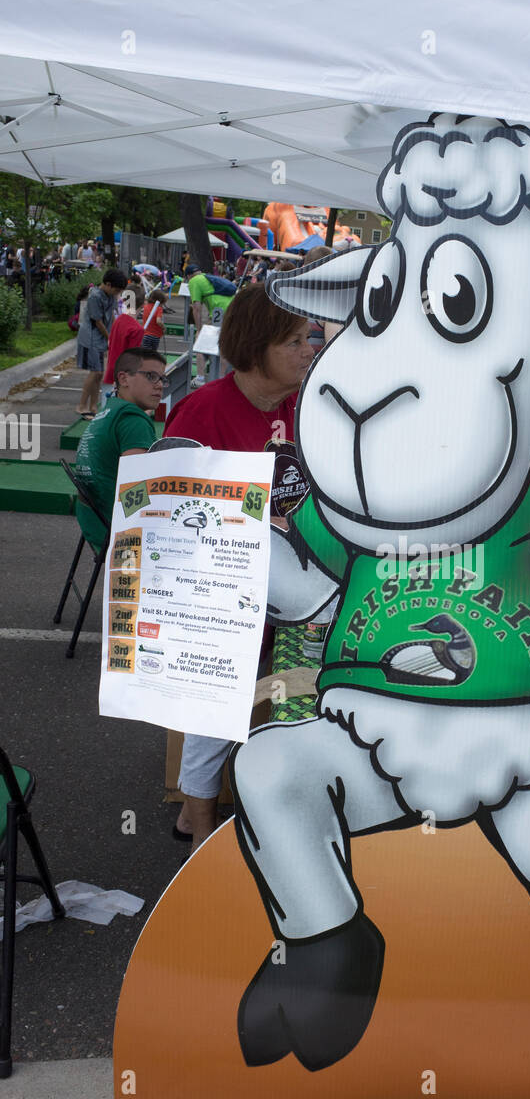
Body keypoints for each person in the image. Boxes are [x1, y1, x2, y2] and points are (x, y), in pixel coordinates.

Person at [165, 286, 314, 854]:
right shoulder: (203, 412)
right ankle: (200, 834)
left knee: (294, 692)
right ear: (257, 347)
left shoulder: (304, 406)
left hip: (295, 588)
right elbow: (162, 512)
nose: (308, 351)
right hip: (220, 595)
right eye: (295, 341)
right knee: (216, 706)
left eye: (309, 339)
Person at [74, 348, 165, 546]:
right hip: (119, 534)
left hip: (93, 521)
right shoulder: (133, 420)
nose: (159, 385)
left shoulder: (109, 410)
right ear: (123, 379)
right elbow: (135, 489)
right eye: (151, 376)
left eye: (162, 379)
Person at [75, 267, 127, 417]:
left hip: (100, 339)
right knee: (95, 372)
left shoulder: (109, 296)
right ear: (108, 284)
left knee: (99, 375)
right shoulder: (95, 296)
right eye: (117, 289)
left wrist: (117, 330)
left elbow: (111, 315)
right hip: (90, 338)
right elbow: (97, 321)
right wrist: (110, 338)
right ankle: (81, 405)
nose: (117, 293)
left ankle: (93, 406)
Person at [186, 263, 233, 380]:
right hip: (233, 311)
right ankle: (222, 377)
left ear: (188, 276)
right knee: (225, 345)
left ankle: (200, 378)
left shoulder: (194, 281)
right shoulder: (208, 278)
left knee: (200, 344)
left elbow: (196, 308)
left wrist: (199, 329)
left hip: (221, 314)